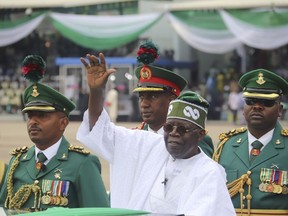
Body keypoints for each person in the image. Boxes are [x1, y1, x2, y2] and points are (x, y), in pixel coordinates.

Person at [77, 52, 235, 215]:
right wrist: (96, 91)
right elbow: (98, 130)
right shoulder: (142, 141)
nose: (144, 103)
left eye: (152, 96)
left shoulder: (206, 168)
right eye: (169, 128)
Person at [0, 55, 109, 212]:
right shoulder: (17, 163)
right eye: (30, 116)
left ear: (63, 123)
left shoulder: (82, 164)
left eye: (42, 116)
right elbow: (4, 210)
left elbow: (99, 214)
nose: (33, 121)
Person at [213, 69, 288, 215]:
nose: (257, 107)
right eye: (250, 101)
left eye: (267, 102)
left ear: (280, 110)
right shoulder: (226, 145)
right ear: (243, 108)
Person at [131, 41, 214, 157]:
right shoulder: (135, 136)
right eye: (141, 97)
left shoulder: (193, 137)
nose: (144, 104)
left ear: (172, 101)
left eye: (153, 96)